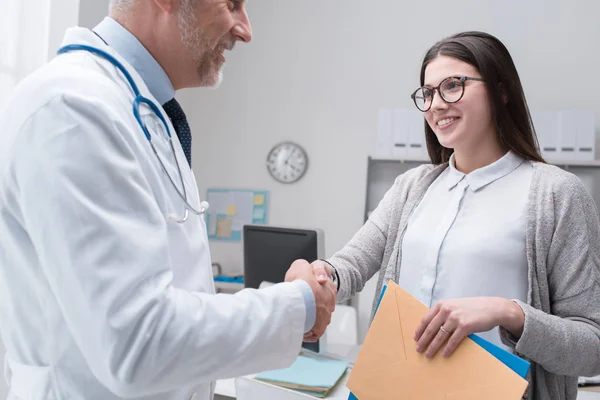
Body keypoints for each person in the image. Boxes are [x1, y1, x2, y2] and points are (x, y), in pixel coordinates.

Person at [0, 0, 336, 399]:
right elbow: (138, 343)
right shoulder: (73, 109)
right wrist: (296, 303)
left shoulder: (148, 112)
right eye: (232, 4)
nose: (245, 30)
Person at [313, 31, 600, 399]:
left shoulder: (556, 194)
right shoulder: (412, 187)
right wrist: (319, 276)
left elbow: (592, 346)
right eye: (428, 93)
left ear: (502, 91)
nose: (435, 104)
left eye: (453, 85)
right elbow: (350, 265)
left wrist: (509, 313)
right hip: (392, 389)